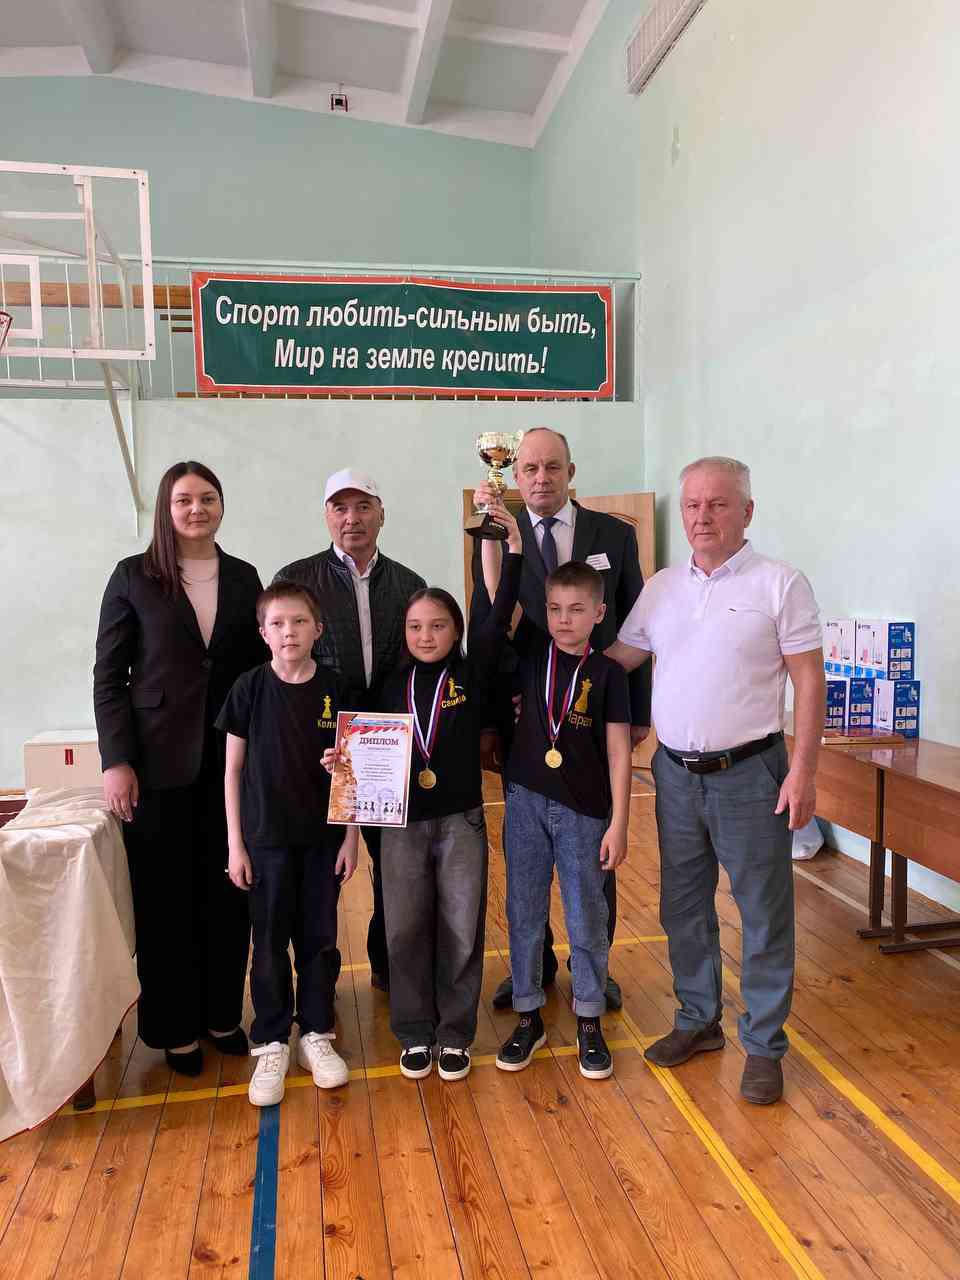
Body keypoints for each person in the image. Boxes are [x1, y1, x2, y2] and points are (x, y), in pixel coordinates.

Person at [608, 456, 824, 1105]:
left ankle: (764, 1045)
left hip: (752, 774)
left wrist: (804, 771)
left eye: (718, 504)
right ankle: (698, 1019)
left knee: (762, 911)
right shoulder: (661, 588)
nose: (702, 516)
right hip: (674, 775)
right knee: (683, 905)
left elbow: (809, 680)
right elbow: (618, 661)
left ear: (747, 511)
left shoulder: (780, 584)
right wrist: (544, 677)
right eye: (693, 505)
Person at [335, 498, 522, 1082]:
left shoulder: (473, 671)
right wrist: (342, 767)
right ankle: (415, 1032)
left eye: (438, 625)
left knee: (462, 927)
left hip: (461, 818)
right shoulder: (388, 684)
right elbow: (358, 743)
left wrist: (509, 548)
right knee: (404, 929)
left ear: (456, 630)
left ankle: (455, 1034)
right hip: (401, 825)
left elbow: (498, 609)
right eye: (416, 626)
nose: (426, 634)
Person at [472, 427, 650, 1012]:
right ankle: (535, 964)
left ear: (571, 472)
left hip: (596, 713)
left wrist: (638, 709)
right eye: (529, 468)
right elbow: (488, 618)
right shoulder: (500, 534)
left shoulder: (614, 535)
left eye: (552, 467)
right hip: (528, 715)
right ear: (514, 476)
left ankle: (594, 965)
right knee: (529, 859)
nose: (541, 478)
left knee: (592, 845)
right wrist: (491, 722)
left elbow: (637, 622)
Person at [94, 461, 264, 1076]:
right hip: (156, 764)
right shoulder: (133, 576)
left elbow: (259, 673)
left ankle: (221, 1015)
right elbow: (109, 677)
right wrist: (116, 760)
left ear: (221, 506)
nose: (197, 509)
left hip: (231, 762)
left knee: (229, 893)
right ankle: (174, 1029)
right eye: (185, 499)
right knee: (166, 900)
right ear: (166, 508)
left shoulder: (244, 577)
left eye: (208, 498)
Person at [475, 550, 633, 1080]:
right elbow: (494, 612)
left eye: (577, 609)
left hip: (585, 812)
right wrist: (501, 547)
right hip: (525, 802)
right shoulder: (528, 660)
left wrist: (620, 823)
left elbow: (619, 752)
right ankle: (529, 1016)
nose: (565, 619)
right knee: (523, 912)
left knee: (587, 914)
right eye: (556, 609)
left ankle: (589, 1018)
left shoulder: (608, 673)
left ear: (599, 613)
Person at [273, 468, 425, 992]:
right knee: (321, 875)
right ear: (326, 516)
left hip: (385, 747)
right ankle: (316, 986)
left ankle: (389, 968)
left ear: (381, 515)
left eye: (363, 506)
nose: (351, 518)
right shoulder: (296, 580)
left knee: (393, 868)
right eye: (340, 507)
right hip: (317, 749)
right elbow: (278, 666)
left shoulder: (409, 584)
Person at [218, 582, 358, 1106]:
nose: (289, 632)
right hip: (266, 842)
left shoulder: (338, 688)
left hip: (323, 842)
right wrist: (235, 845)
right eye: (277, 623)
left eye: (299, 622)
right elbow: (232, 772)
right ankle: (272, 1039)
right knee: (271, 941)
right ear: (263, 633)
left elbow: (354, 771)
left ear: (317, 629)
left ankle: (316, 1032)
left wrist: (351, 839)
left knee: (319, 939)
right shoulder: (248, 688)